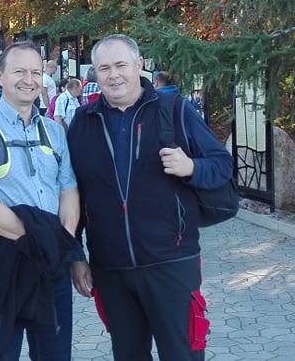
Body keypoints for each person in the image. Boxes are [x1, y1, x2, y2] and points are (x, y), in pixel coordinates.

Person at [67, 34, 233, 361]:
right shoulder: (83, 122)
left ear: (139, 65)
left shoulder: (175, 110)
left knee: (182, 355)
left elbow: (222, 165)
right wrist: (76, 256)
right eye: (104, 68)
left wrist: (191, 167)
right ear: (95, 74)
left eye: (121, 65)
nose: (113, 75)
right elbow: (73, 193)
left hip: (171, 262)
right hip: (110, 268)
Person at [0, 41, 81, 360]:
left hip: (52, 259)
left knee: (55, 355)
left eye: (36, 72)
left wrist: (63, 242)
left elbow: (69, 191)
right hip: (3, 260)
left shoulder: (54, 132)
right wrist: (41, 239)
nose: (29, 80)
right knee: (0, 353)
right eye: (19, 71)